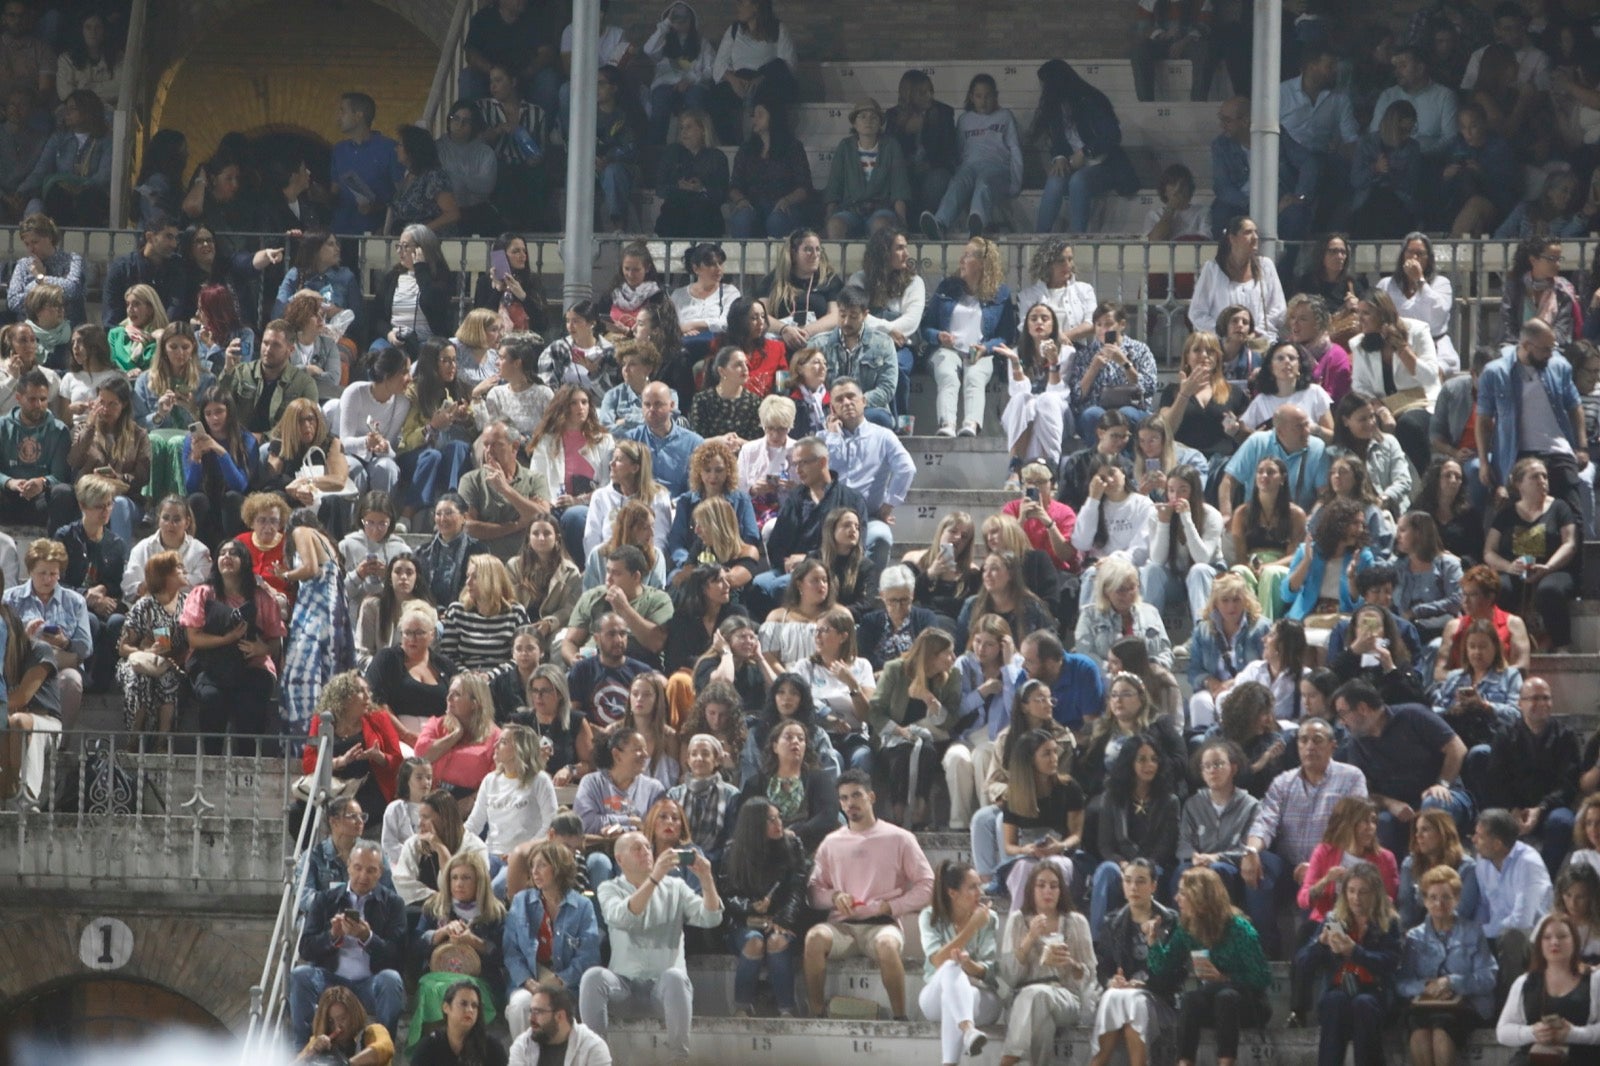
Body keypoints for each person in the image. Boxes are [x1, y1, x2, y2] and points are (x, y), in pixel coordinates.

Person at [579, 829, 723, 1063]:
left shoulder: (676, 887)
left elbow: (711, 918)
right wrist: (654, 879)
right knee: (592, 977)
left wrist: (706, 878)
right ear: (619, 859)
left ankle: (679, 1060)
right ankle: (597, 1059)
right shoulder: (609, 888)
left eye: (648, 847)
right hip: (623, 987)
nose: (646, 852)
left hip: (663, 990)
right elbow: (624, 917)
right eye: (637, 848)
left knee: (676, 977)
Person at [804, 769, 935, 1020]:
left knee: (887, 945)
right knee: (814, 939)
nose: (850, 803)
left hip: (882, 924)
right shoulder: (831, 843)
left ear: (871, 797)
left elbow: (927, 885)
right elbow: (813, 892)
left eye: (856, 795)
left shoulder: (900, 838)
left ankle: (900, 1018)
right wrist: (834, 897)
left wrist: (891, 906)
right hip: (842, 927)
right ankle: (816, 1014)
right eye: (843, 798)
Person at [1240, 718, 1370, 952]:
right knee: (1259, 865)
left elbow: (1354, 829)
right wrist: (1251, 851)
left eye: (1317, 740)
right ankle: (1267, 951)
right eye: (1303, 740)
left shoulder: (1351, 777)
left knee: (1319, 895)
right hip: (1288, 867)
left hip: (1328, 868)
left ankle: (1313, 960)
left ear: (1333, 746)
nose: (1310, 746)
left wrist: (1317, 865)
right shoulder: (1283, 782)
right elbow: (1265, 821)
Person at [1146, 866, 1273, 1066]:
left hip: (1249, 1003)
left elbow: (1262, 977)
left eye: (1183, 893)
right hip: (1213, 1002)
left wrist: (1225, 979)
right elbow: (1164, 967)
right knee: (1191, 999)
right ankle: (1184, 1062)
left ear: (1200, 897)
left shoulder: (1239, 928)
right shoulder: (1187, 927)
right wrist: (1154, 942)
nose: (1176, 898)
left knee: (1226, 996)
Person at [289, 840, 406, 1046]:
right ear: (348, 867)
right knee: (300, 975)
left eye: (371, 870)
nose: (363, 876)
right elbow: (306, 948)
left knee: (391, 979)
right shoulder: (325, 900)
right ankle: (305, 1046)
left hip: (370, 982)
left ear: (380, 873)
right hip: (330, 979)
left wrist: (367, 938)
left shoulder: (393, 904)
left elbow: (397, 954)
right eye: (358, 868)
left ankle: (384, 1047)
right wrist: (332, 936)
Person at [1296, 862, 1404, 1066]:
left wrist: (1355, 952)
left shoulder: (1388, 922)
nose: (1356, 898)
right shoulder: (1334, 919)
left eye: (1363, 892)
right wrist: (1320, 944)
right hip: (1339, 989)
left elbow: (1390, 962)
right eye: (1351, 891)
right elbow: (1303, 964)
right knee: (1334, 1001)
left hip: (1375, 992)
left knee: (1362, 1004)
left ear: (1375, 894)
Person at [180, 538, 284, 749]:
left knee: (251, 702)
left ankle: (248, 765)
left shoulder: (262, 597)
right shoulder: (202, 593)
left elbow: (275, 641)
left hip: (253, 665)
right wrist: (228, 639)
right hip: (210, 666)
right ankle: (211, 762)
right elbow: (193, 638)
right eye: (222, 553)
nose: (227, 557)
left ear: (245, 561)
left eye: (234, 553)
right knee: (212, 699)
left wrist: (262, 649)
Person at [717, 796, 811, 1017]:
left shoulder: (792, 845)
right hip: (744, 921)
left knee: (777, 941)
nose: (778, 824)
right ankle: (742, 1008)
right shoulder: (733, 851)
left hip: (782, 918)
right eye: (770, 820)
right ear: (754, 824)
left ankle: (787, 1009)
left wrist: (783, 919)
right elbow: (727, 895)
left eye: (779, 818)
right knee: (754, 942)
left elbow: (798, 888)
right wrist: (750, 906)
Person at [1399, 865, 1499, 1066]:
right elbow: (1402, 983)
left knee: (1441, 1031)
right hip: (1426, 1006)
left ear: (1457, 899)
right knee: (1418, 1032)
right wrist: (1426, 987)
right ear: (1425, 901)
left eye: (1446, 897)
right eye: (1433, 897)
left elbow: (1489, 977)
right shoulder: (1414, 937)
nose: (1439, 903)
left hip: (1465, 1005)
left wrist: (1451, 982)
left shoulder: (1473, 931)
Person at [502, 839, 601, 1038]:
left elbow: (588, 956)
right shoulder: (522, 901)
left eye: (542, 865)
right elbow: (511, 952)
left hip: (566, 985)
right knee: (521, 1004)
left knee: (560, 1007)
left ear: (558, 868)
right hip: (529, 982)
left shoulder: (582, 906)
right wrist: (529, 983)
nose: (534, 871)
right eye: (532, 866)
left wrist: (559, 981)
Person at [919, 237, 1016, 439]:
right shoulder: (947, 288)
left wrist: (986, 348)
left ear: (982, 263)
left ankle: (971, 425)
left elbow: (1007, 334)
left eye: (967, 255)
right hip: (947, 350)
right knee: (947, 374)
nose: (961, 260)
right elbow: (926, 327)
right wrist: (939, 336)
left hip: (980, 351)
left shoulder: (1001, 294)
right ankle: (947, 424)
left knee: (974, 377)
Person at [1483, 455, 1581, 652]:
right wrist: (1509, 567)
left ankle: (1561, 644)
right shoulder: (1507, 513)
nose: (1542, 481)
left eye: (1545, 477)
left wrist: (1548, 567)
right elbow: (1489, 551)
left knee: (1549, 591)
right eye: (1535, 477)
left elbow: (1569, 543)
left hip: (1553, 569)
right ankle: (1506, 644)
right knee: (1501, 587)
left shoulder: (1560, 508)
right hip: (1516, 570)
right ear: (1519, 484)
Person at [1088, 858, 1179, 1066]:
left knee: (1135, 1001)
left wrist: (1146, 985)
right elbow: (1103, 967)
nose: (1133, 887)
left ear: (1153, 886)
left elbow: (1176, 973)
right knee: (1114, 995)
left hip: (1159, 999)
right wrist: (1111, 980)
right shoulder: (1112, 922)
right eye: (1128, 881)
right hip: (1123, 997)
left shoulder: (1170, 921)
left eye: (1140, 881)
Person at [869, 627, 963, 829]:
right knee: (903, 751)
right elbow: (875, 711)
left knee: (926, 750)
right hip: (893, 737)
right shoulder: (896, 669)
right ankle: (898, 810)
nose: (953, 657)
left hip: (933, 738)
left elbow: (951, 720)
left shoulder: (952, 676)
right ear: (932, 655)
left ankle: (921, 808)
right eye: (948, 653)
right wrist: (898, 730)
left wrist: (930, 701)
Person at [1030, 59, 1139, 233]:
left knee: (1078, 181)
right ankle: (1039, 237)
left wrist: (1086, 151)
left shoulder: (1091, 100)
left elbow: (1112, 135)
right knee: (1055, 180)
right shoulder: (1055, 108)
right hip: (1074, 164)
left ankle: (1077, 238)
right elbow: (1057, 141)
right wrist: (1059, 157)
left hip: (1105, 164)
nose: (1043, 91)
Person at [1485, 678, 1580, 871]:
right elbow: (1496, 779)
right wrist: (1514, 809)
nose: (1542, 704)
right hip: (1512, 808)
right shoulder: (1504, 735)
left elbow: (1568, 784)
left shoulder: (1566, 736)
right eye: (1535, 698)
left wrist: (1541, 809)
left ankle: (1543, 877)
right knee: (1489, 821)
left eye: (1546, 698)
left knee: (1562, 822)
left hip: (1550, 809)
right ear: (1520, 703)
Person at [917, 860, 1003, 1060]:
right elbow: (937, 961)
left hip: (979, 995)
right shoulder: (929, 916)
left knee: (952, 999)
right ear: (952, 893)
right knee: (949, 966)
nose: (979, 892)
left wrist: (967, 964)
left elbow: (988, 970)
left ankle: (961, 1042)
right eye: (972, 887)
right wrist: (971, 927)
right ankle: (968, 1029)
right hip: (934, 996)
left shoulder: (990, 918)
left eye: (979, 886)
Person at [919, 74, 1022, 240]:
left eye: (988, 96)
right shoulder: (964, 119)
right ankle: (940, 223)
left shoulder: (1005, 116)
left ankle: (977, 223)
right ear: (971, 97)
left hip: (996, 166)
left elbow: (1015, 149)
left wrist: (1016, 182)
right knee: (957, 184)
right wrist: (960, 171)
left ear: (995, 96)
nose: (983, 101)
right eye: (979, 96)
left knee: (984, 184)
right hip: (969, 166)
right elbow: (959, 151)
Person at [1474, 807, 1557, 998]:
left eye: (1479, 836)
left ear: (1496, 844)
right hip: (1495, 931)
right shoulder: (1482, 859)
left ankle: (1515, 1004)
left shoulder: (1529, 863)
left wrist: (1482, 933)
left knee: (1512, 937)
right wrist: (1474, 931)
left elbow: (1522, 921)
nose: (1473, 840)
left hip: (1532, 937)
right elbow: (1484, 904)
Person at [1496, 913, 1600, 1065]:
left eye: (1562, 936)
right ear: (1539, 944)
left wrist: (1574, 1034)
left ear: (1574, 941)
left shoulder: (1594, 980)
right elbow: (1503, 1031)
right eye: (1547, 937)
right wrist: (1533, 1033)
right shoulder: (1524, 983)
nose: (1554, 942)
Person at [303, 672, 404, 829]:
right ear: (343, 697)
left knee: (353, 815)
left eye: (367, 690)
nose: (367, 695)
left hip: (368, 786)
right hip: (331, 786)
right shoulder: (321, 720)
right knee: (298, 813)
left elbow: (397, 760)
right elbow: (309, 764)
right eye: (360, 691)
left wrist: (380, 757)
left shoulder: (379, 718)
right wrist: (339, 762)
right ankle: (317, 853)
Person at [114, 548, 188, 736]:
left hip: (172, 663)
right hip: (140, 661)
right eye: (178, 567)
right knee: (140, 680)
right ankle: (134, 738)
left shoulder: (187, 604)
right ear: (165, 575)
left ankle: (162, 743)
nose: (184, 570)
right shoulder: (144, 605)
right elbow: (123, 648)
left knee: (168, 679)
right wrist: (148, 652)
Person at [1297, 796, 1400, 923]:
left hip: (1367, 924)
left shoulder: (1385, 858)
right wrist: (1326, 880)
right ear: (1348, 823)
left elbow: (1389, 900)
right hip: (1329, 922)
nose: (1371, 827)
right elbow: (1303, 900)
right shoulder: (1324, 851)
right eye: (1364, 821)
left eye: (1373, 821)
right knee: (1318, 933)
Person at [1189, 216, 1287, 344]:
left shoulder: (1266, 266)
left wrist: (1255, 331)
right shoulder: (1212, 269)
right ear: (1232, 238)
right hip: (1222, 345)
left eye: (1256, 232)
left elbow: (1278, 308)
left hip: (1259, 344)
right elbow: (1197, 312)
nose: (1255, 237)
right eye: (1248, 232)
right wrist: (1224, 332)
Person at [726, 102, 812, 240]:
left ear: (774, 118)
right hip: (752, 204)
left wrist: (787, 200)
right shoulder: (746, 149)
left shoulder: (793, 147)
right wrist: (741, 200)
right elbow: (734, 185)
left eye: (760, 115)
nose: (754, 119)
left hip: (784, 203)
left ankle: (780, 260)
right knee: (742, 219)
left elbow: (804, 186)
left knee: (776, 220)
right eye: (754, 115)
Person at [416, 672, 503, 803]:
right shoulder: (437, 724)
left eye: (457, 694)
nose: (449, 698)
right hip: (431, 799)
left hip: (472, 805)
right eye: (449, 692)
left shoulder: (496, 738)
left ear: (475, 703)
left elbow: (497, 783)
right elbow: (421, 756)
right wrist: (456, 734)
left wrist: (466, 806)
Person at [1398, 808, 1482, 930]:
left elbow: (1462, 913)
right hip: (1416, 935)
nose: (1418, 836)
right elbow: (1406, 911)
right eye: (1417, 830)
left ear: (1443, 833)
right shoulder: (1410, 863)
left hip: (1455, 934)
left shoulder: (1467, 867)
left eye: (1425, 830)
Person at [508, 986, 611, 1066]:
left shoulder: (593, 1047)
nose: (530, 1019)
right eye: (531, 1012)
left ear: (559, 1016)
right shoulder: (522, 1045)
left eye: (537, 1012)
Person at [409, 981, 506, 1066]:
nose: (470, 1010)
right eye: (463, 1004)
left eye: (475, 1005)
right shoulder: (429, 1047)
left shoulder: (492, 1048)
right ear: (446, 1007)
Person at [294, 986, 395, 1066]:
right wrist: (312, 1052)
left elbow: (385, 1048)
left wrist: (347, 1064)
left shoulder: (374, 1031)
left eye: (342, 1018)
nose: (338, 1027)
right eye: (330, 1021)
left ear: (353, 1015)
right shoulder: (319, 1042)